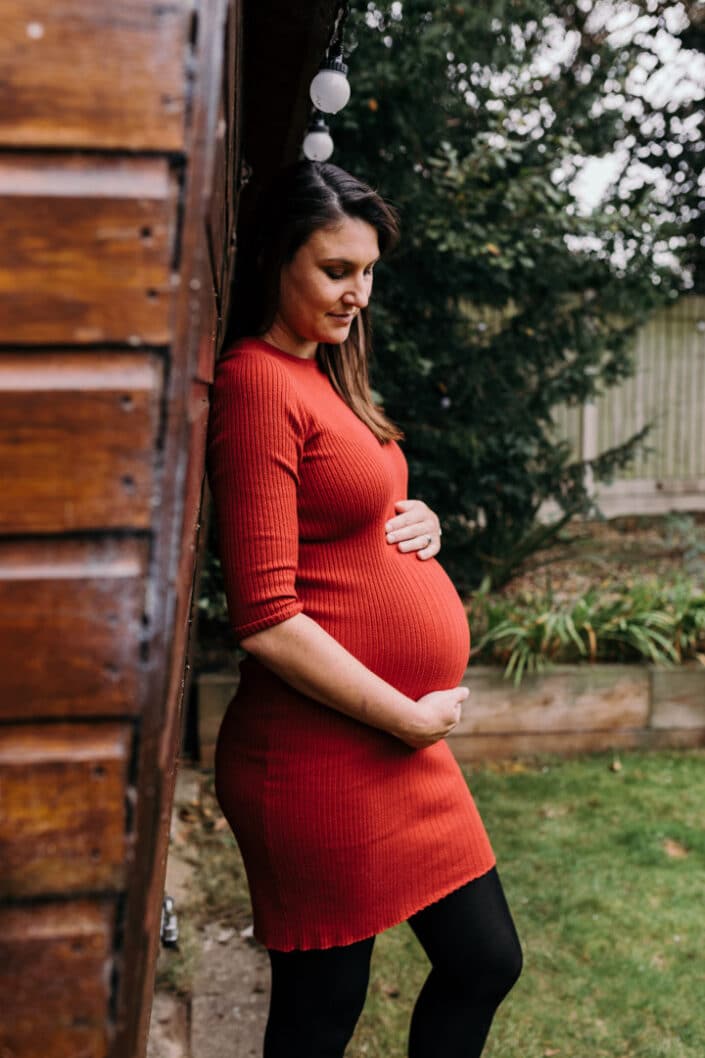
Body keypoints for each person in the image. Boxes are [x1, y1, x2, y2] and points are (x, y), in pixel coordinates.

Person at [206, 160, 522, 1058]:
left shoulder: (323, 376)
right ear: (277, 260)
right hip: (318, 753)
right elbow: (266, 617)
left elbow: (341, 518)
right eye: (335, 269)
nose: (358, 292)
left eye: (368, 270)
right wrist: (406, 717)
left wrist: (410, 513)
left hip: (389, 744)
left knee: (485, 960)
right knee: (319, 1017)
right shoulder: (256, 382)